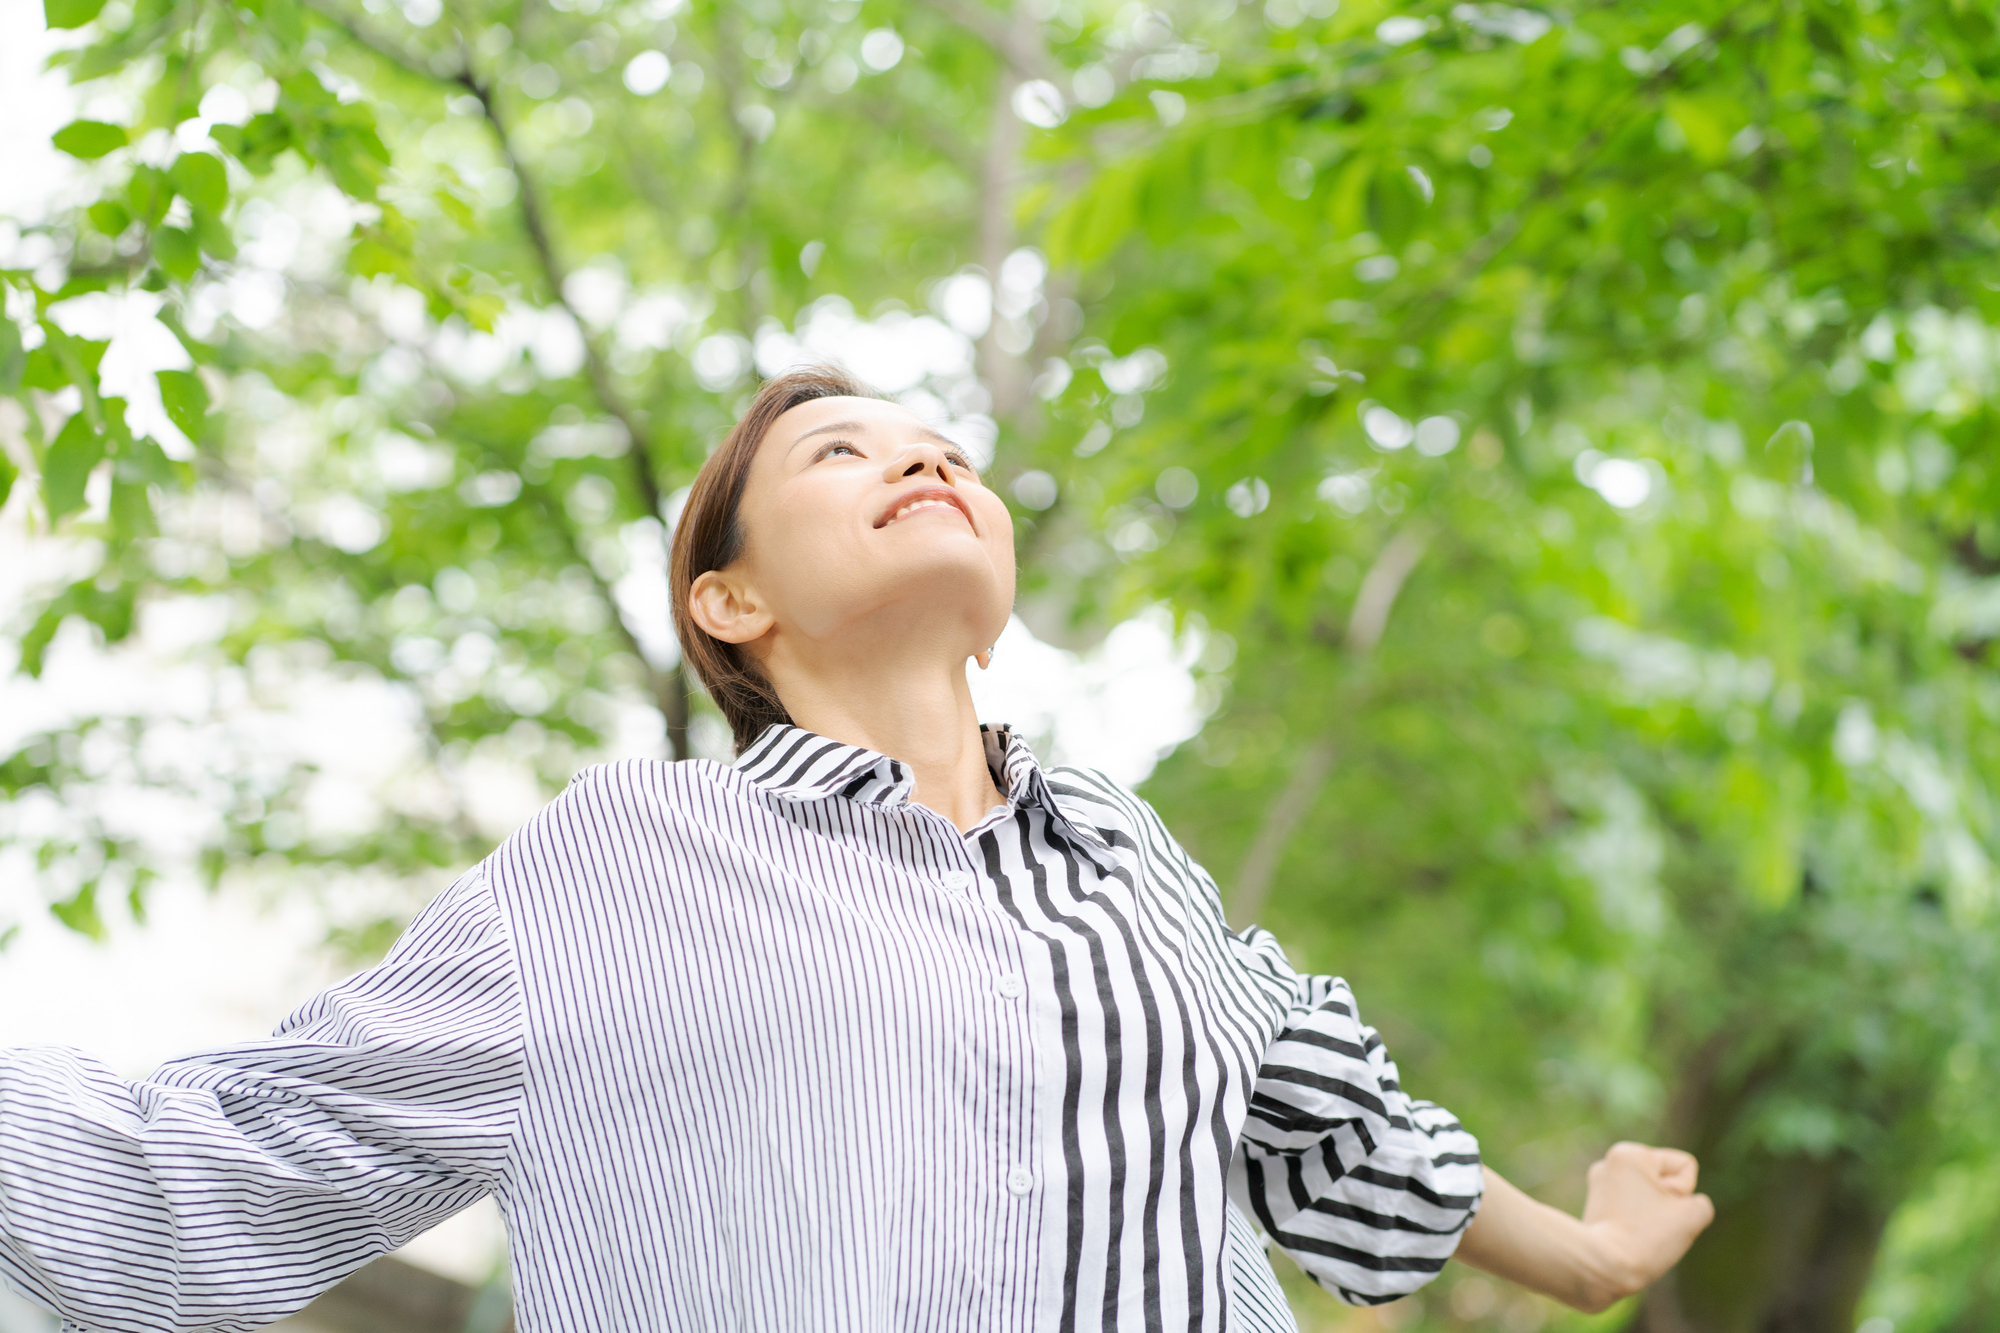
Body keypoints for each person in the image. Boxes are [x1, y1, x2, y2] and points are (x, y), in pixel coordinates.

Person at [0, 366, 1712, 1332]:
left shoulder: (1131, 860)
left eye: (943, 444)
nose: (924, 452)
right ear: (727, 601)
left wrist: (1591, 1252)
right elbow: (220, 1171)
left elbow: (1325, 1119)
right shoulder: (623, 866)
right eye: (846, 450)